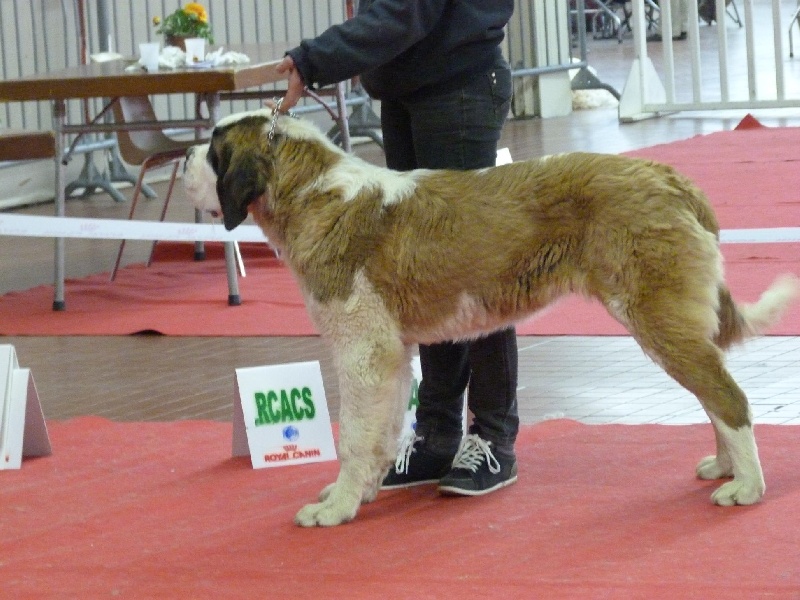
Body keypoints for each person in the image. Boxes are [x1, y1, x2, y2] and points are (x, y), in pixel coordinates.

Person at [277, 0, 520, 497]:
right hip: (408, 92)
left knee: (475, 268)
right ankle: (436, 433)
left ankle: (494, 435)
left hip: (457, 92)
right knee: (421, 275)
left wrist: (314, 58)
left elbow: (404, 12)